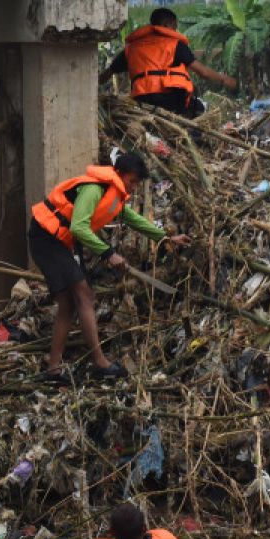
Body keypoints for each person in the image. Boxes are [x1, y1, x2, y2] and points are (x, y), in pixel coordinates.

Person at [28, 152, 190, 381]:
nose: (134, 187)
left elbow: (133, 219)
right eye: (132, 181)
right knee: (84, 296)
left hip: (64, 241)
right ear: (120, 174)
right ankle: (99, 363)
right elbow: (79, 228)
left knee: (69, 303)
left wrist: (165, 238)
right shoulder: (95, 189)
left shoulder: (115, 194)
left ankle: (53, 368)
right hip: (47, 238)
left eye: (136, 183)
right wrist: (109, 253)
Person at [98, 7, 238, 118]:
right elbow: (203, 72)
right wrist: (224, 79)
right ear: (166, 25)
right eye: (174, 26)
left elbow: (107, 74)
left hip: (142, 99)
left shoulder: (132, 48)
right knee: (200, 109)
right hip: (169, 99)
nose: (176, 30)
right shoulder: (174, 45)